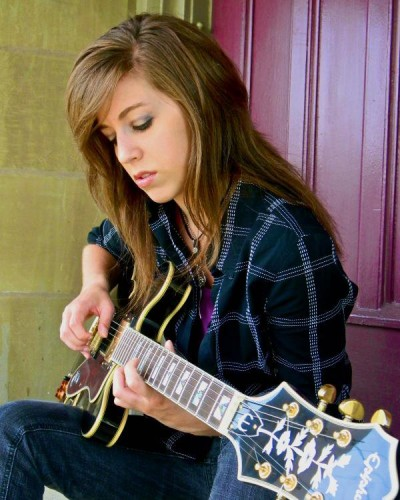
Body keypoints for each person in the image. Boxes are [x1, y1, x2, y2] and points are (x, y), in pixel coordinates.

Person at [0, 13, 357, 500]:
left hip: (256, 470)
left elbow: (311, 434)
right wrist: (94, 287)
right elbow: (101, 242)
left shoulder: (286, 241)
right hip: (166, 457)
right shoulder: (155, 212)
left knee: (246, 463)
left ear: (202, 104)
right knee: (13, 430)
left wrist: (189, 415)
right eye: (112, 137)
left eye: (141, 124)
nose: (125, 153)